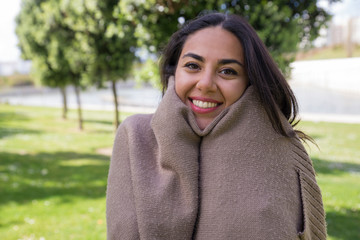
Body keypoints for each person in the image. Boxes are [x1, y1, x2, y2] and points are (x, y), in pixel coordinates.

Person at [106, 12, 327, 240]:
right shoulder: (136, 136)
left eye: (228, 71)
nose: (205, 84)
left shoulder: (278, 149)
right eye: (193, 66)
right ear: (175, 71)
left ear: (249, 81)